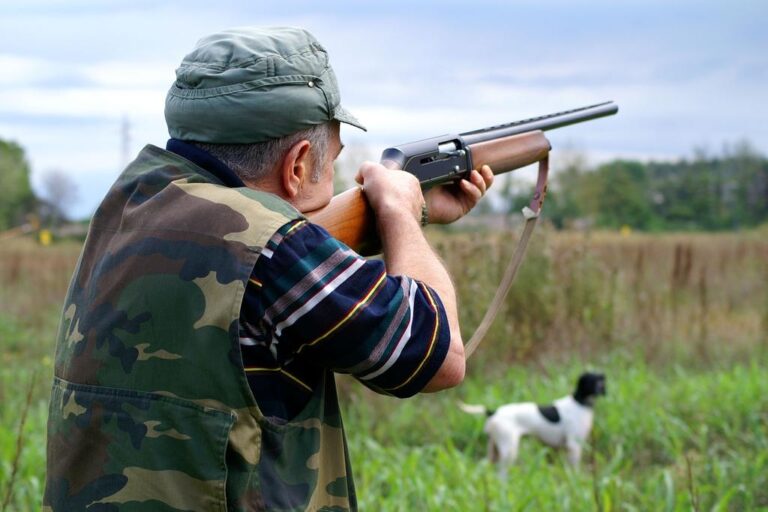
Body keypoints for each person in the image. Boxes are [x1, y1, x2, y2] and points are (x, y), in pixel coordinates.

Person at [44, 26, 493, 511]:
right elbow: (438, 356)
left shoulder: (128, 203)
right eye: (333, 160)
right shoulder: (272, 246)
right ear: (298, 165)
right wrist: (401, 214)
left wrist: (409, 214)